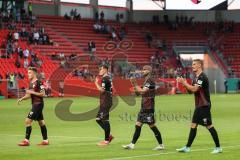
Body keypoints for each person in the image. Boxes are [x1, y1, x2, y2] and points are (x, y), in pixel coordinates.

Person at [176, 59, 222, 154]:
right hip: (198, 106)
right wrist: (183, 83)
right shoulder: (195, 78)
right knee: (193, 125)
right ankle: (187, 147)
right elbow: (190, 91)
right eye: (192, 64)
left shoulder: (202, 77)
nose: (192, 66)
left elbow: (195, 89)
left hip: (204, 106)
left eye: (194, 64)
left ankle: (218, 147)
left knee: (209, 126)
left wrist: (184, 83)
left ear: (199, 65)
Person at [122, 65, 164, 150]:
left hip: (149, 107)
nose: (143, 71)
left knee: (152, 126)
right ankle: (132, 144)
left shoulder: (150, 80)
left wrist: (134, 83)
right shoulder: (146, 80)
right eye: (143, 69)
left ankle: (161, 145)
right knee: (138, 125)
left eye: (145, 70)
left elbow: (143, 91)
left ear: (149, 71)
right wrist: (133, 85)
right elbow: (139, 93)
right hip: (144, 107)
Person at [17, 67, 49, 146]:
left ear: (34, 73)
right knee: (41, 122)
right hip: (35, 104)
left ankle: (26, 141)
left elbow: (43, 94)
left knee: (28, 120)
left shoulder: (39, 82)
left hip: (38, 104)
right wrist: (22, 98)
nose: (28, 74)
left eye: (30, 73)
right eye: (28, 73)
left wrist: (32, 92)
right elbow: (28, 95)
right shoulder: (31, 83)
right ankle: (45, 140)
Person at [94, 64, 114, 146]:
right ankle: (109, 135)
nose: (100, 70)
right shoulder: (108, 78)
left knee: (105, 120)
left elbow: (102, 90)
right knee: (98, 119)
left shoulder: (105, 79)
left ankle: (106, 141)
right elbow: (111, 89)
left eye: (101, 69)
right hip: (105, 101)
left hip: (106, 101)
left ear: (105, 69)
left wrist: (95, 83)